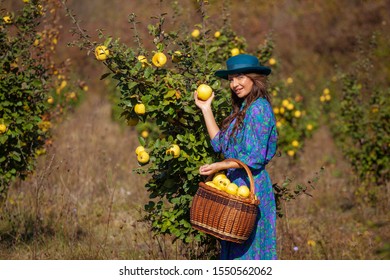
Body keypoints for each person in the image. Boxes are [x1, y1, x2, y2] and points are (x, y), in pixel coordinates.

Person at [194, 54, 278, 260]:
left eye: (240, 77)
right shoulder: (243, 109)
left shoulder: (259, 109)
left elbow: (254, 157)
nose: (234, 84)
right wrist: (206, 109)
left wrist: (219, 166)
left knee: (250, 254)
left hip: (251, 188)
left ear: (253, 78)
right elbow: (220, 143)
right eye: (231, 79)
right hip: (234, 188)